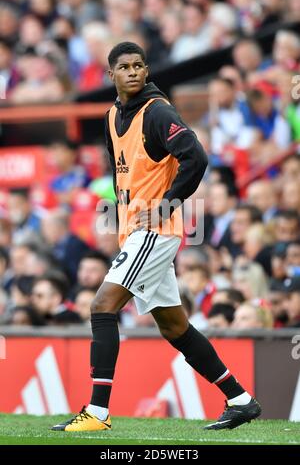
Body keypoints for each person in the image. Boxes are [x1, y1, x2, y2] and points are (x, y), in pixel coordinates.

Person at [52, 41, 261, 433]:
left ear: (146, 71)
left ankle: (97, 413)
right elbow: (121, 173)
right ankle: (240, 399)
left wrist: (166, 203)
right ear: (110, 75)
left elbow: (195, 157)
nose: (133, 72)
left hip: (155, 231)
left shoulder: (157, 111)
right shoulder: (113, 114)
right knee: (174, 327)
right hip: (136, 230)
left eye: (138, 65)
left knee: (102, 306)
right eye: (124, 67)